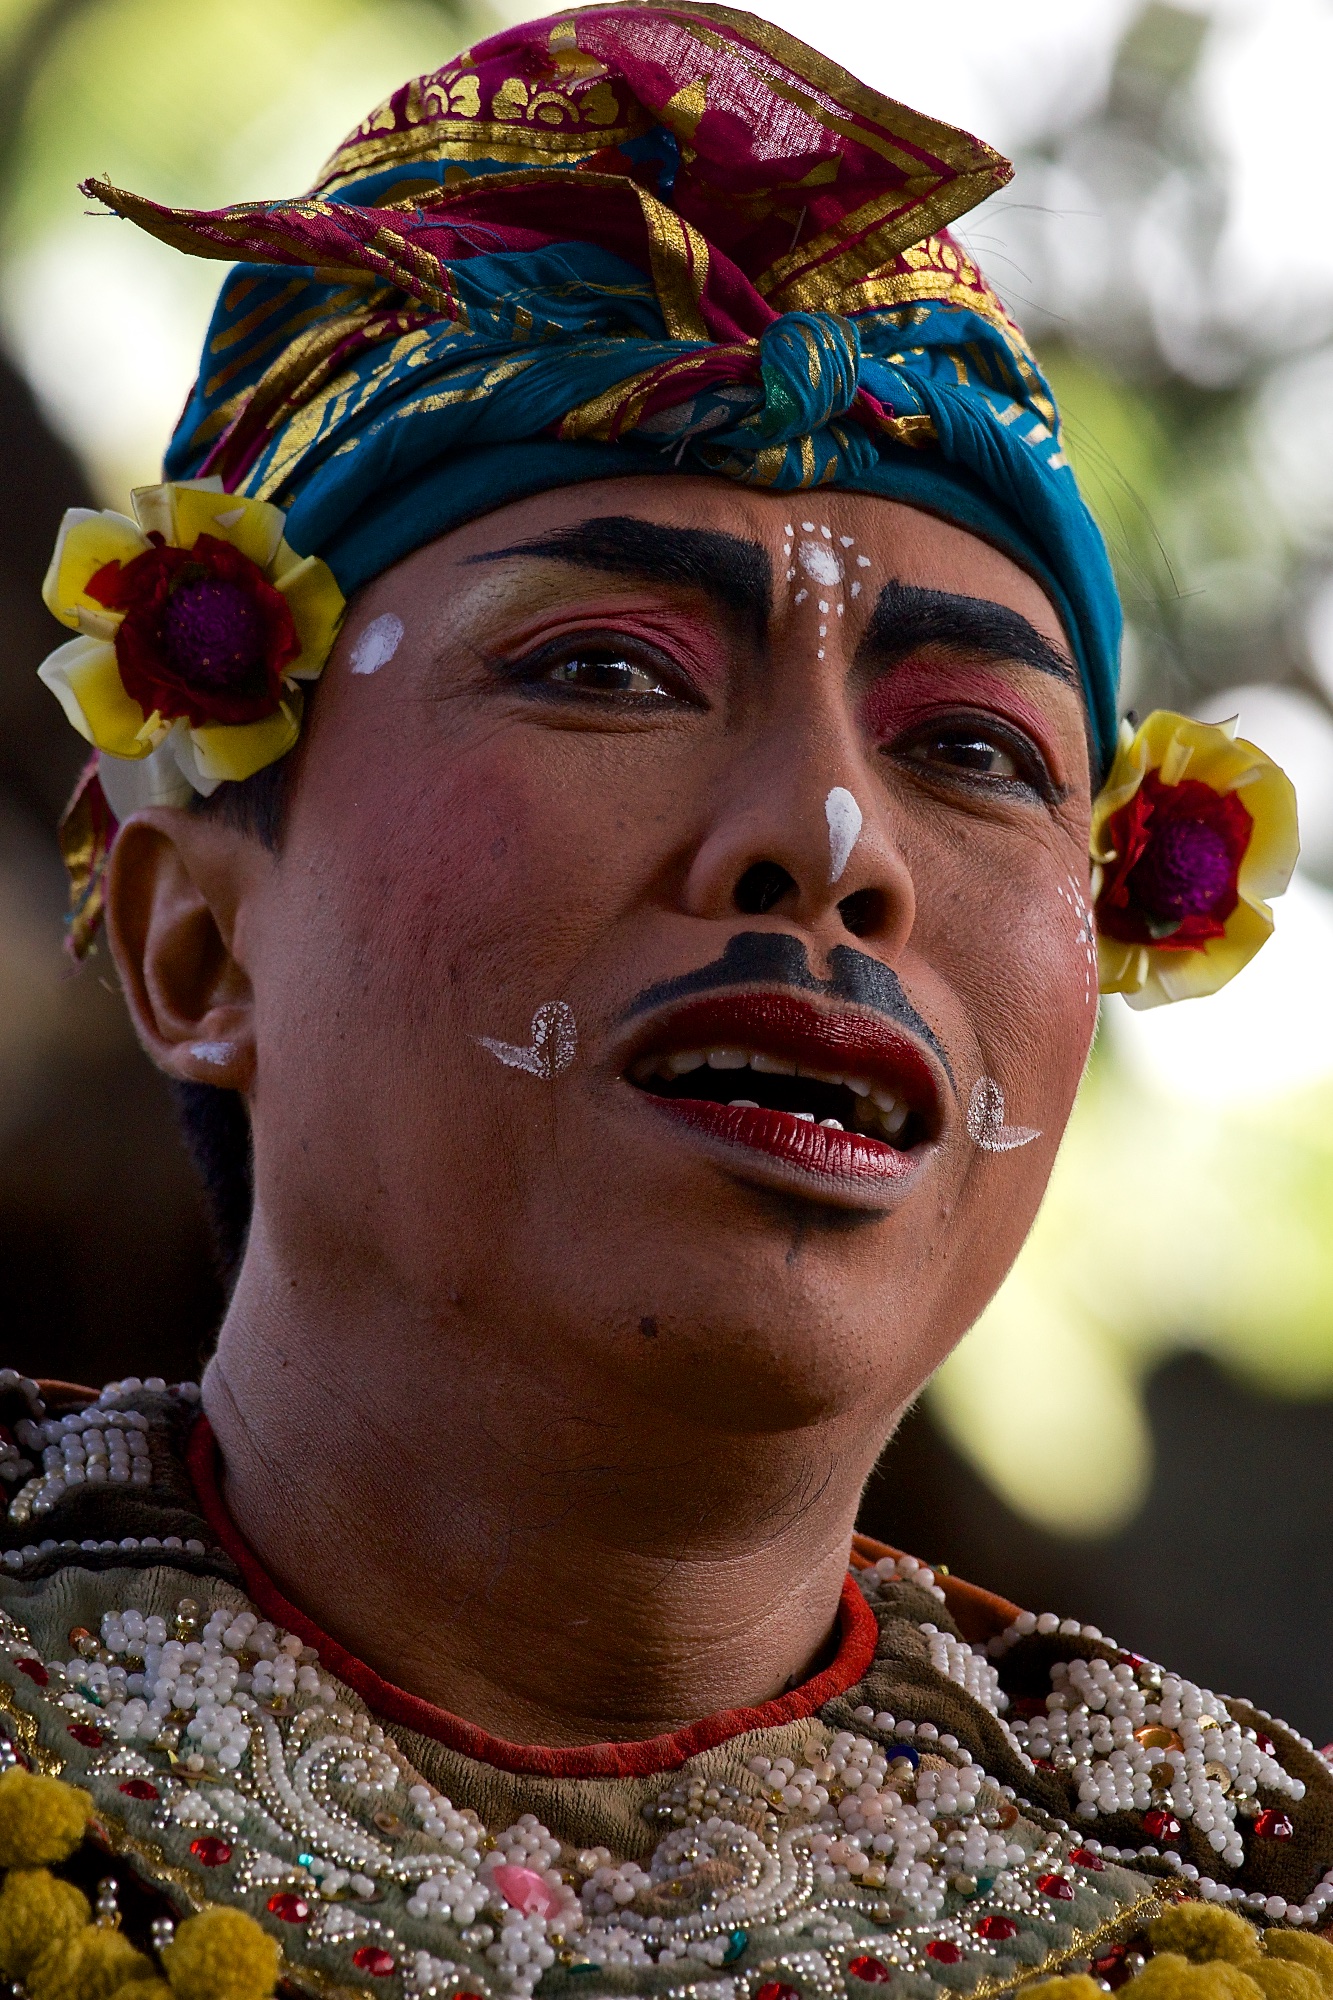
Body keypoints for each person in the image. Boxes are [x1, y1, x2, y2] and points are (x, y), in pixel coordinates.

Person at [3, 7, 1317, 1999]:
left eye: (973, 747)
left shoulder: (1258, 1913)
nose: (827, 835)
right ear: (194, 939)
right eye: (609, 672)